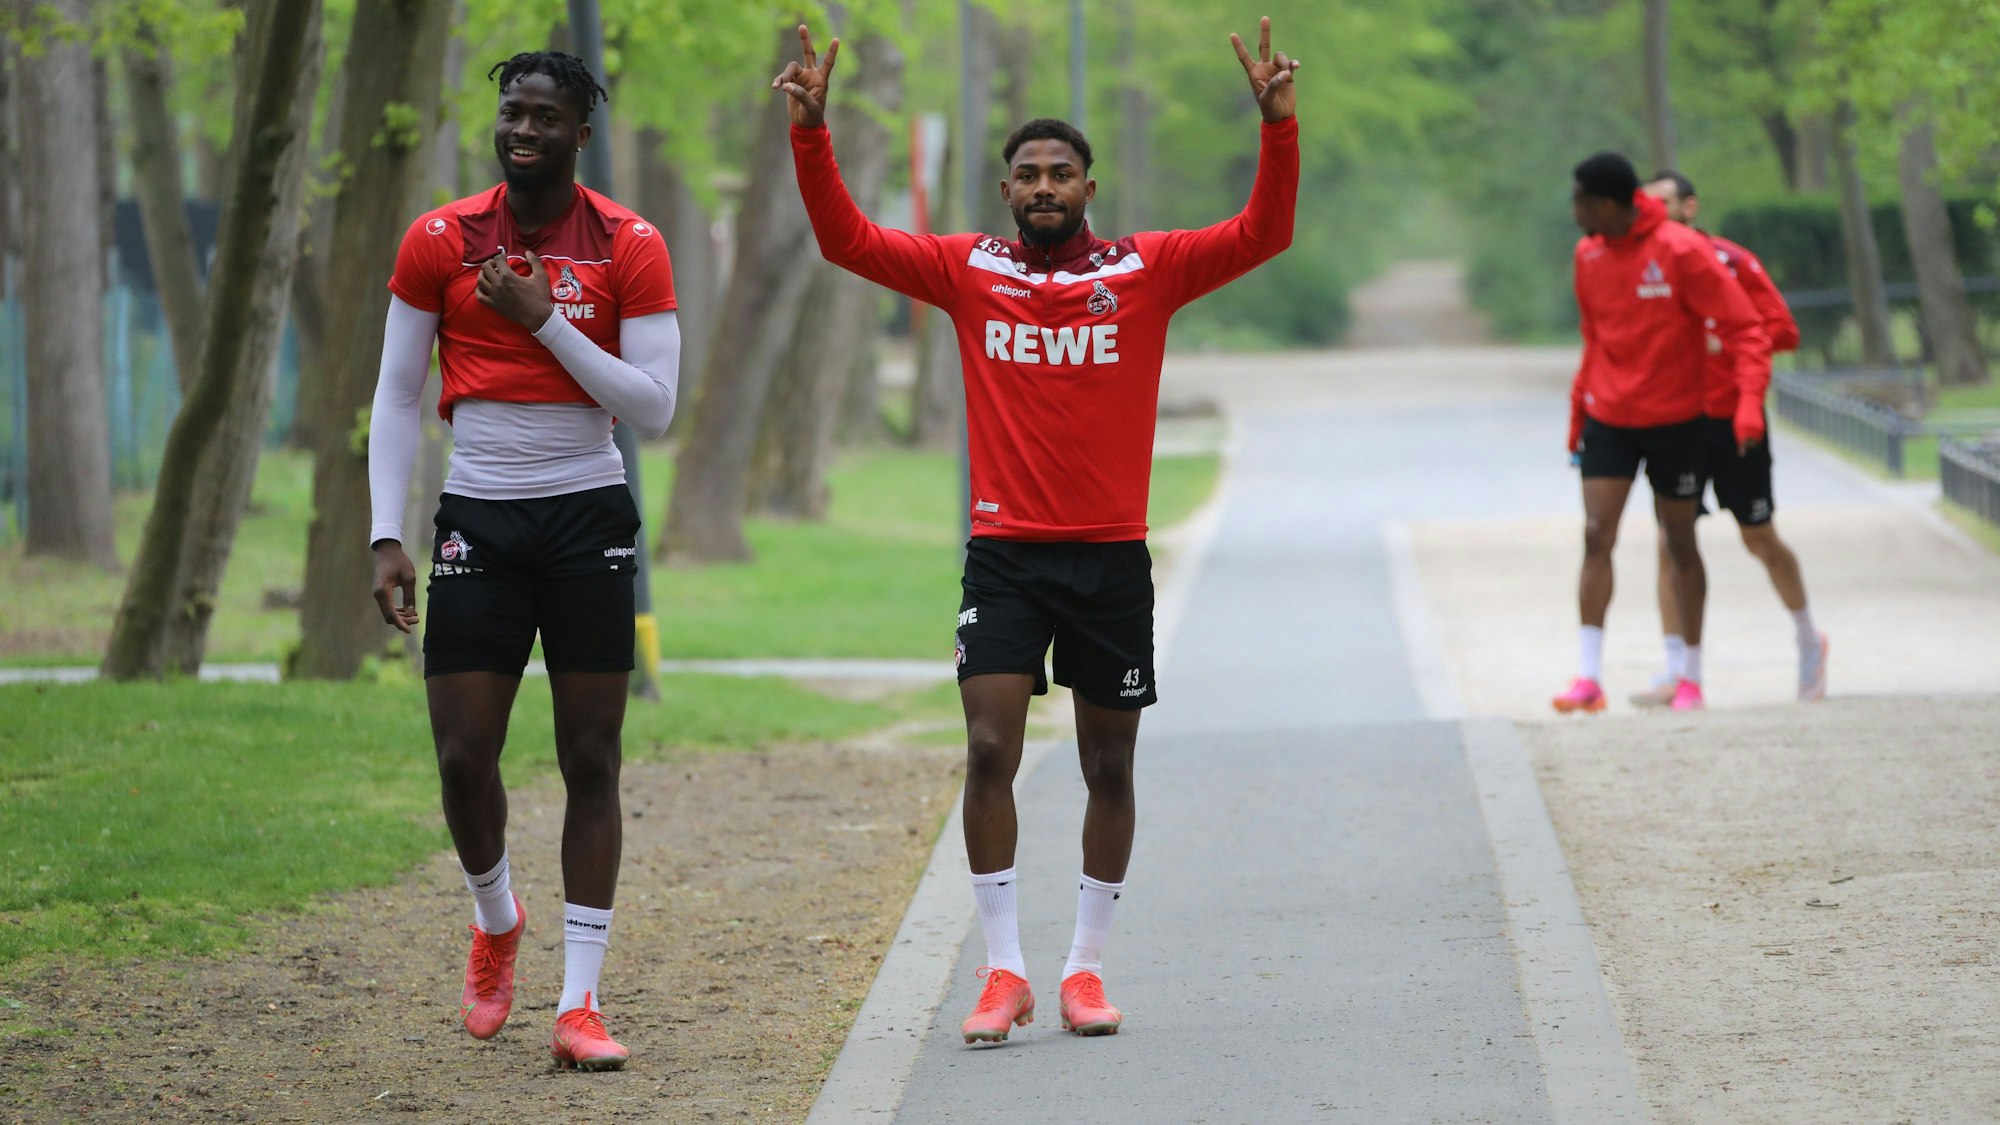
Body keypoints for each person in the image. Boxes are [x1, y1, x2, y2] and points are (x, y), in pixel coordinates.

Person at [774, 19, 1298, 1041]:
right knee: (985, 750)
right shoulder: (969, 271)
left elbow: (1258, 235)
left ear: (1088, 189)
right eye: (1027, 174)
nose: (1045, 186)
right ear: (1005, 191)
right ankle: (1002, 970)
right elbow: (845, 242)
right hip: (1005, 553)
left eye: (1062, 171)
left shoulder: (1147, 270)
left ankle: (1084, 971)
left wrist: (1276, 129)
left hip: (1108, 556)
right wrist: (811, 133)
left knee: (1109, 766)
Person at [366, 51, 680, 1071]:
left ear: (580, 132)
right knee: (463, 756)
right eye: (511, 113)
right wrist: (385, 532)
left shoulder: (629, 243)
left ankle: (579, 1002)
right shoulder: (438, 238)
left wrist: (543, 320)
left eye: (546, 116)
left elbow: (652, 407)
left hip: (588, 514)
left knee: (591, 758)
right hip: (479, 519)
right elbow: (398, 397)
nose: (524, 130)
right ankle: (496, 921)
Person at [1554, 152, 1771, 714]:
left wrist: (1747, 404)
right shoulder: (1588, 255)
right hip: (1610, 419)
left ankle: (1690, 676)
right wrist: (1580, 410)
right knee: (1597, 533)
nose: (1572, 210)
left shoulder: (1680, 250)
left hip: (1676, 419)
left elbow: (1745, 327)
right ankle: (1587, 676)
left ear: (1605, 204)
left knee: (1678, 542)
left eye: (1579, 200)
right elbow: (1594, 337)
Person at [1629, 172, 1829, 706]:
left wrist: (1720, 337)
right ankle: (1678, 669)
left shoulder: (1732, 262)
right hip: (1676, 421)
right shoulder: (1641, 268)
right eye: (1646, 204)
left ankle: (1809, 639)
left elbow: (1781, 330)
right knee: (1670, 543)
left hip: (1734, 421)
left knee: (1758, 537)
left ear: (1690, 207)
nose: (1655, 212)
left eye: (1665, 203)